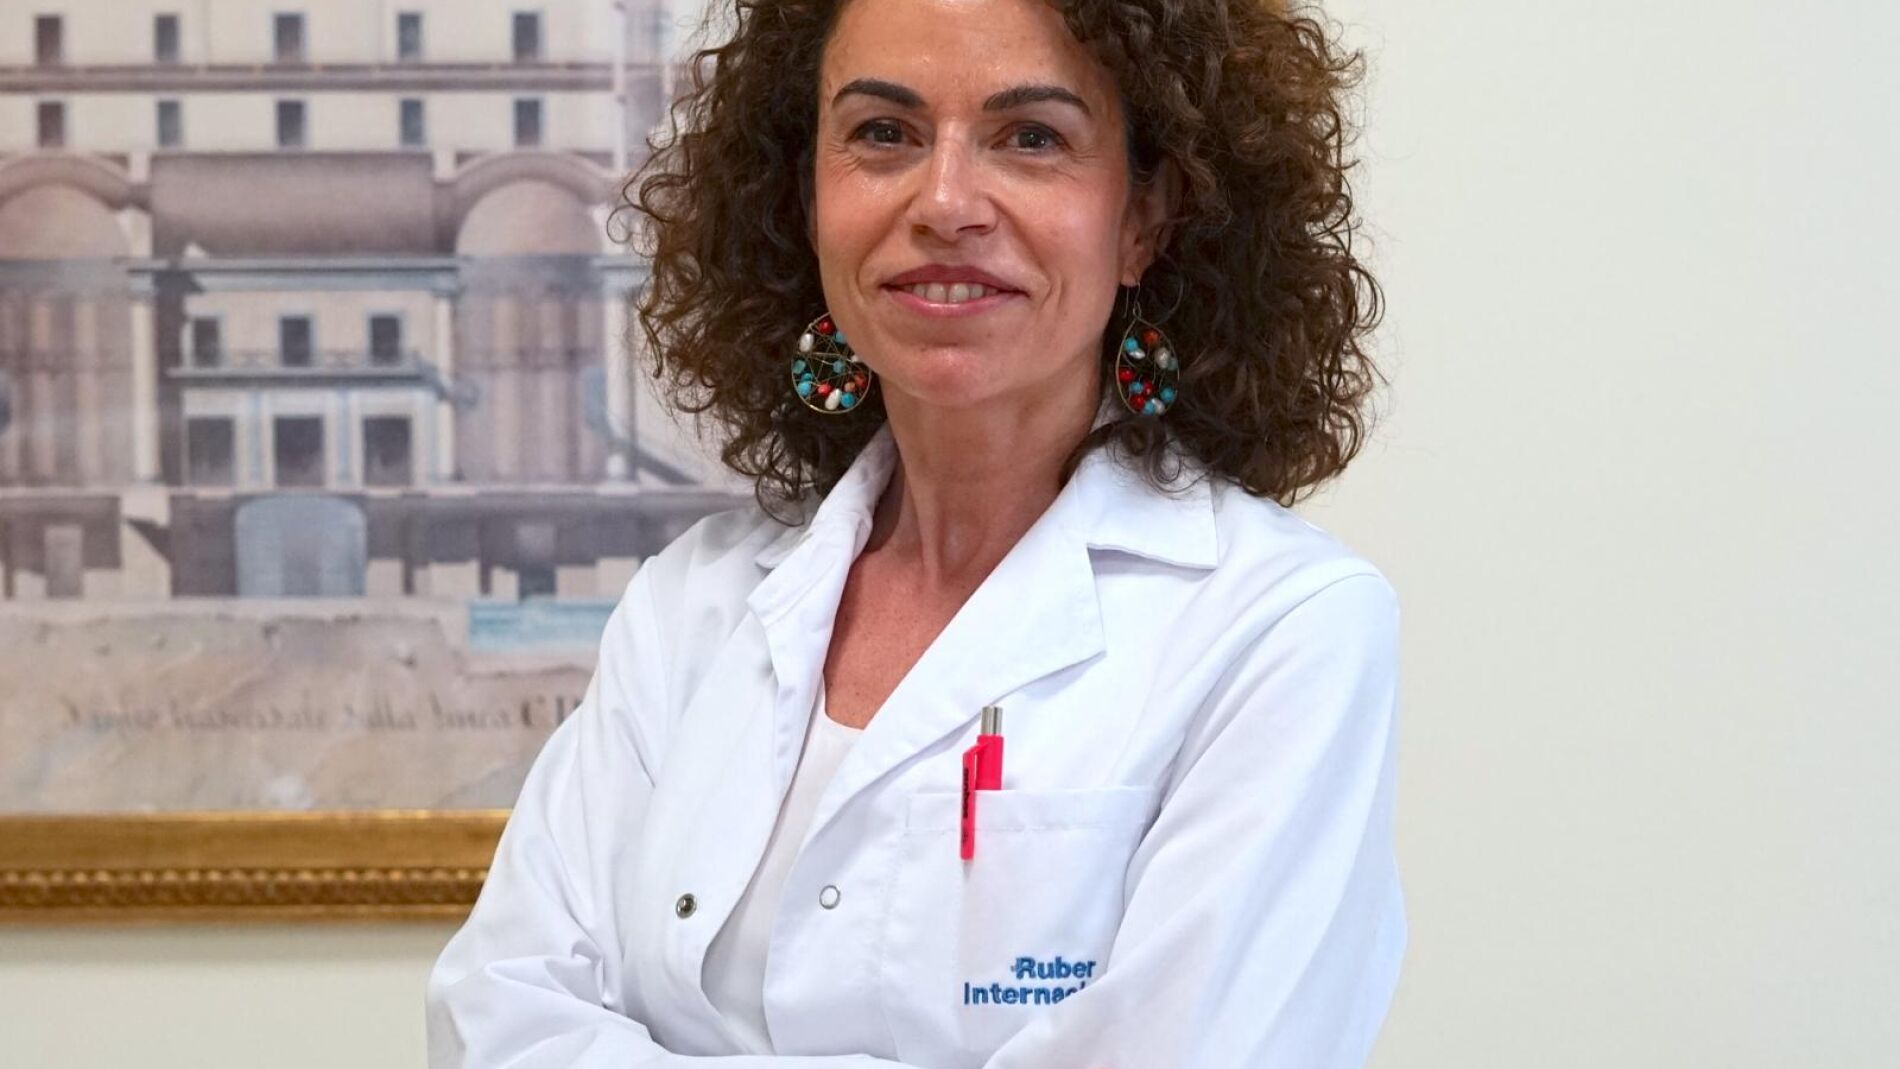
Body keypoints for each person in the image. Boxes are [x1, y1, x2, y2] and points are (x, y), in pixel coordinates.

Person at [428, 0, 1402, 1065]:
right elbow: (497, 1021)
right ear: (807, 200)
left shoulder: (1280, 631)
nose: (944, 203)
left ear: (1145, 219)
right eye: (883, 133)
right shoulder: (690, 606)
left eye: (1032, 138)